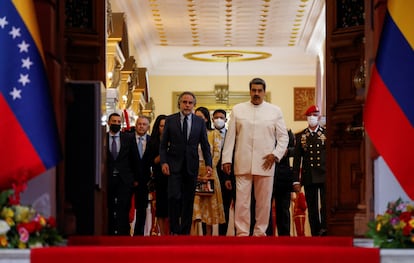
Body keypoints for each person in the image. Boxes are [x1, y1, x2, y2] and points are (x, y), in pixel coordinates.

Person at [221, 77, 289, 236]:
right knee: (242, 203)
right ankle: (242, 233)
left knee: (264, 203)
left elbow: (283, 137)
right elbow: (231, 136)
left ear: (264, 92)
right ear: (250, 91)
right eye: (253, 90)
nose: (256, 93)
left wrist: (275, 154)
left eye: (259, 91)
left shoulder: (275, 110)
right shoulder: (238, 109)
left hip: (266, 162)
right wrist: (226, 159)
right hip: (242, 161)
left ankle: (260, 233)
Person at [160, 91, 212, 235]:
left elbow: (205, 144)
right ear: (180, 104)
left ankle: (184, 233)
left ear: (194, 105)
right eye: (184, 102)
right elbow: (163, 145)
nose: (187, 105)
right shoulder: (170, 120)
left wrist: (209, 164)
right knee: (173, 197)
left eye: (190, 103)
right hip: (173, 166)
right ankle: (174, 230)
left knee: (188, 200)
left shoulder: (199, 121)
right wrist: (163, 162)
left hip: (191, 166)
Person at [292, 105, 327, 236]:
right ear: (307, 117)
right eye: (311, 115)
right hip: (309, 176)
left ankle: (325, 229)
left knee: (325, 205)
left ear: (319, 117)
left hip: (324, 174)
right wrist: (296, 180)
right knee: (312, 207)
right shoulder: (301, 136)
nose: (313, 117)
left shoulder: (325, 134)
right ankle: (315, 232)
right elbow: (296, 160)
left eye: (315, 114)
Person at [192, 107, 225, 235]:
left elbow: (217, 153)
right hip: (194, 171)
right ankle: (194, 235)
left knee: (209, 205)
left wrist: (209, 169)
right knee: (195, 204)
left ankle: (209, 236)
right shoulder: (191, 133)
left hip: (209, 170)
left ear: (206, 119)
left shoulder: (213, 133)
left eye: (201, 117)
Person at [106, 112, 139, 235]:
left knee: (123, 208)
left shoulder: (128, 138)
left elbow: (134, 158)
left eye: (119, 122)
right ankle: (109, 232)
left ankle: (123, 234)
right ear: (109, 123)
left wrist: (135, 178)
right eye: (114, 122)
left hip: (124, 179)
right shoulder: (102, 138)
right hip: (107, 179)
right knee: (109, 207)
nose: (116, 124)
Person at [213, 109, 236, 236]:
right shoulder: (208, 135)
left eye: (221, 117)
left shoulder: (231, 135)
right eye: (216, 117)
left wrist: (228, 177)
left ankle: (222, 235)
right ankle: (208, 235)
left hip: (226, 176)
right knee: (210, 207)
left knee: (225, 207)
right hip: (211, 175)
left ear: (226, 120)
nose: (218, 120)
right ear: (212, 120)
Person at [146, 114, 169, 235]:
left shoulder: (174, 140)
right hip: (159, 178)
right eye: (161, 126)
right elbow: (151, 161)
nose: (164, 129)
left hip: (173, 177)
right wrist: (164, 155)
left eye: (166, 126)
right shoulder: (153, 142)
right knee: (160, 207)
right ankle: (162, 233)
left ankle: (171, 232)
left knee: (172, 206)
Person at [271, 128, 296, 236]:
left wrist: (288, 151)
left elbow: (295, 150)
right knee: (264, 209)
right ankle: (267, 235)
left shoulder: (287, 133)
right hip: (267, 173)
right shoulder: (266, 131)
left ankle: (284, 236)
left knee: (283, 209)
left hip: (283, 175)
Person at [133, 115, 152, 236]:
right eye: (139, 124)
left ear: (148, 127)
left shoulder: (152, 141)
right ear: (136, 125)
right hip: (129, 180)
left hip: (145, 181)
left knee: (142, 209)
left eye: (144, 124)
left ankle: (138, 234)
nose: (141, 126)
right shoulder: (128, 139)